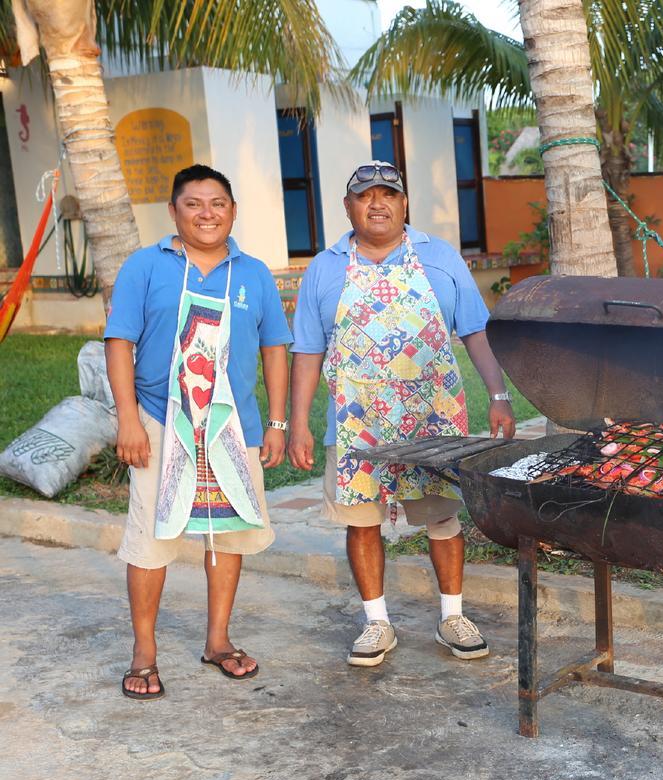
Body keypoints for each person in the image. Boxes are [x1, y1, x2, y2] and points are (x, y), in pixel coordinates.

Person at [288, 160, 515, 667]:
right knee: (361, 521)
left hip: (431, 416)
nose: (378, 203)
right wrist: (298, 422)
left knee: (443, 516)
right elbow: (306, 350)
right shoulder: (324, 267)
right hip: (356, 421)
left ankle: (453, 615)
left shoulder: (440, 257)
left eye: (388, 194)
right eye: (365, 195)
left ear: (403, 203)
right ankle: (376, 623)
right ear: (348, 207)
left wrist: (499, 396)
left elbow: (475, 330)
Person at [105, 164, 292, 700]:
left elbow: (274, 348)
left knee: (228, 530)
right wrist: (127, 421)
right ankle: (144, 653)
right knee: (151, 539)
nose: (206, 213)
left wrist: (276, 422)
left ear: (232, 211)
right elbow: (119, 344)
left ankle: (218, 640)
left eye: (217, 203)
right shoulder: (145, 267)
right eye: (193, 203)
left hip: (234, 428)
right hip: (161, 422)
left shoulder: (253, 273)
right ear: (173, 212)